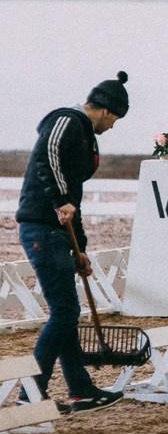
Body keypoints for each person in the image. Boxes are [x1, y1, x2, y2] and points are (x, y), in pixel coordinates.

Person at [15, 72, 131, 415]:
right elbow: (46, 157)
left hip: (57, 233)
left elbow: (73, 198)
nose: (112, 128)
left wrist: (79, 248)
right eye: (116, 121)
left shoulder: (83, 136)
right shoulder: (68, 120)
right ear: (108, 111)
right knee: (65, 311)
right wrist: (59, 200)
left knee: (67, 312)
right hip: (41, 228)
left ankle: (80, 390)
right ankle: (30, 394)